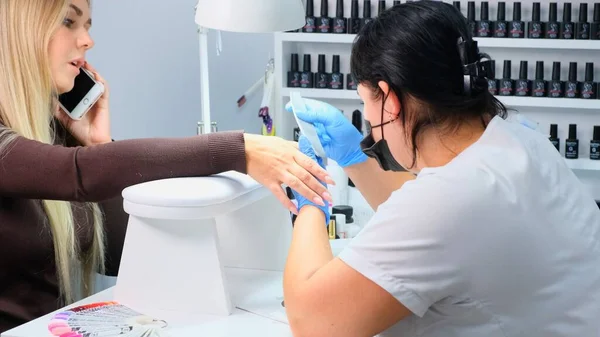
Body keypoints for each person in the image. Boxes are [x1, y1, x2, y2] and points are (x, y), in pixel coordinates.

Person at [0, 0, 334, 332]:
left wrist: (99, 144)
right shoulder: (21, 151)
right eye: (69, 22)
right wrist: (239, 150)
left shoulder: (54, 133)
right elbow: (76, 174)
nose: (87, 40)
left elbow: (117, 255)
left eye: (87, 25)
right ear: (21, 30)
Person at [282, 2, 600, 336]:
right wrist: (355, 160)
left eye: (366, 101)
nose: (371, 122)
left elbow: (312, 322)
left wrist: (309, 196)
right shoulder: (518, 138)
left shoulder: (452, 199)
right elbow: (429, 220)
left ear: (390, 100)